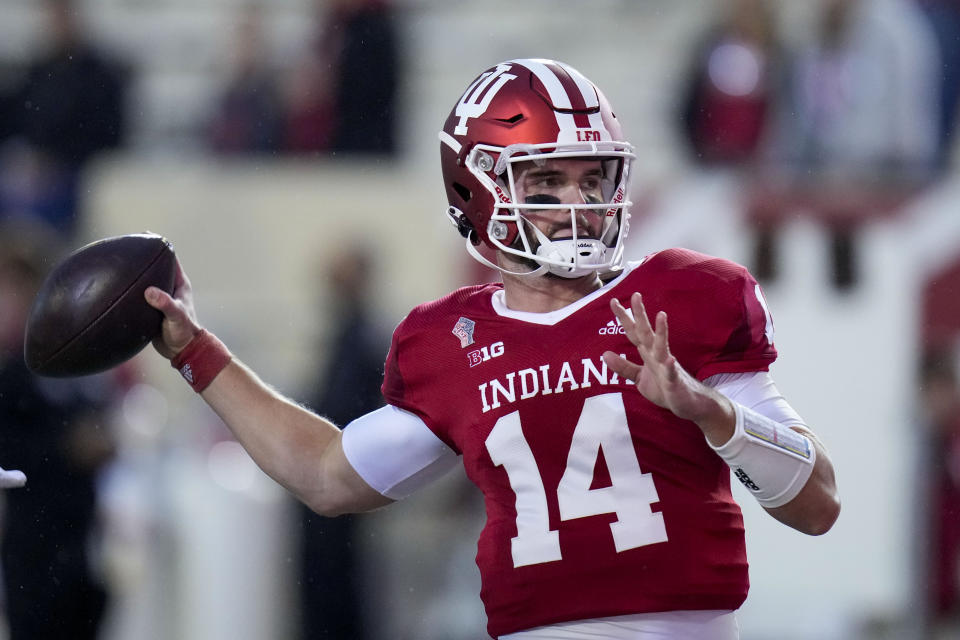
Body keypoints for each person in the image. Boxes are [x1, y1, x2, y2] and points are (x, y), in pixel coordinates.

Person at [144, 59, 841, 639]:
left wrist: (712, 413)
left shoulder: (682, 297)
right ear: (476, 192)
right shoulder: (448, 342)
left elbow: (817, 506)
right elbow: (328, 476)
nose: (580, 203)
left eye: (592, 178)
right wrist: (196, 353)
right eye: (546, 182)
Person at [0, 219, 119, 640]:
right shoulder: (10, 372)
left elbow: (100, 419)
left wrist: (104, 439)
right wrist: (66, 447)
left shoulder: (72, 362)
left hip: (82, 534)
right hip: (31, 543)